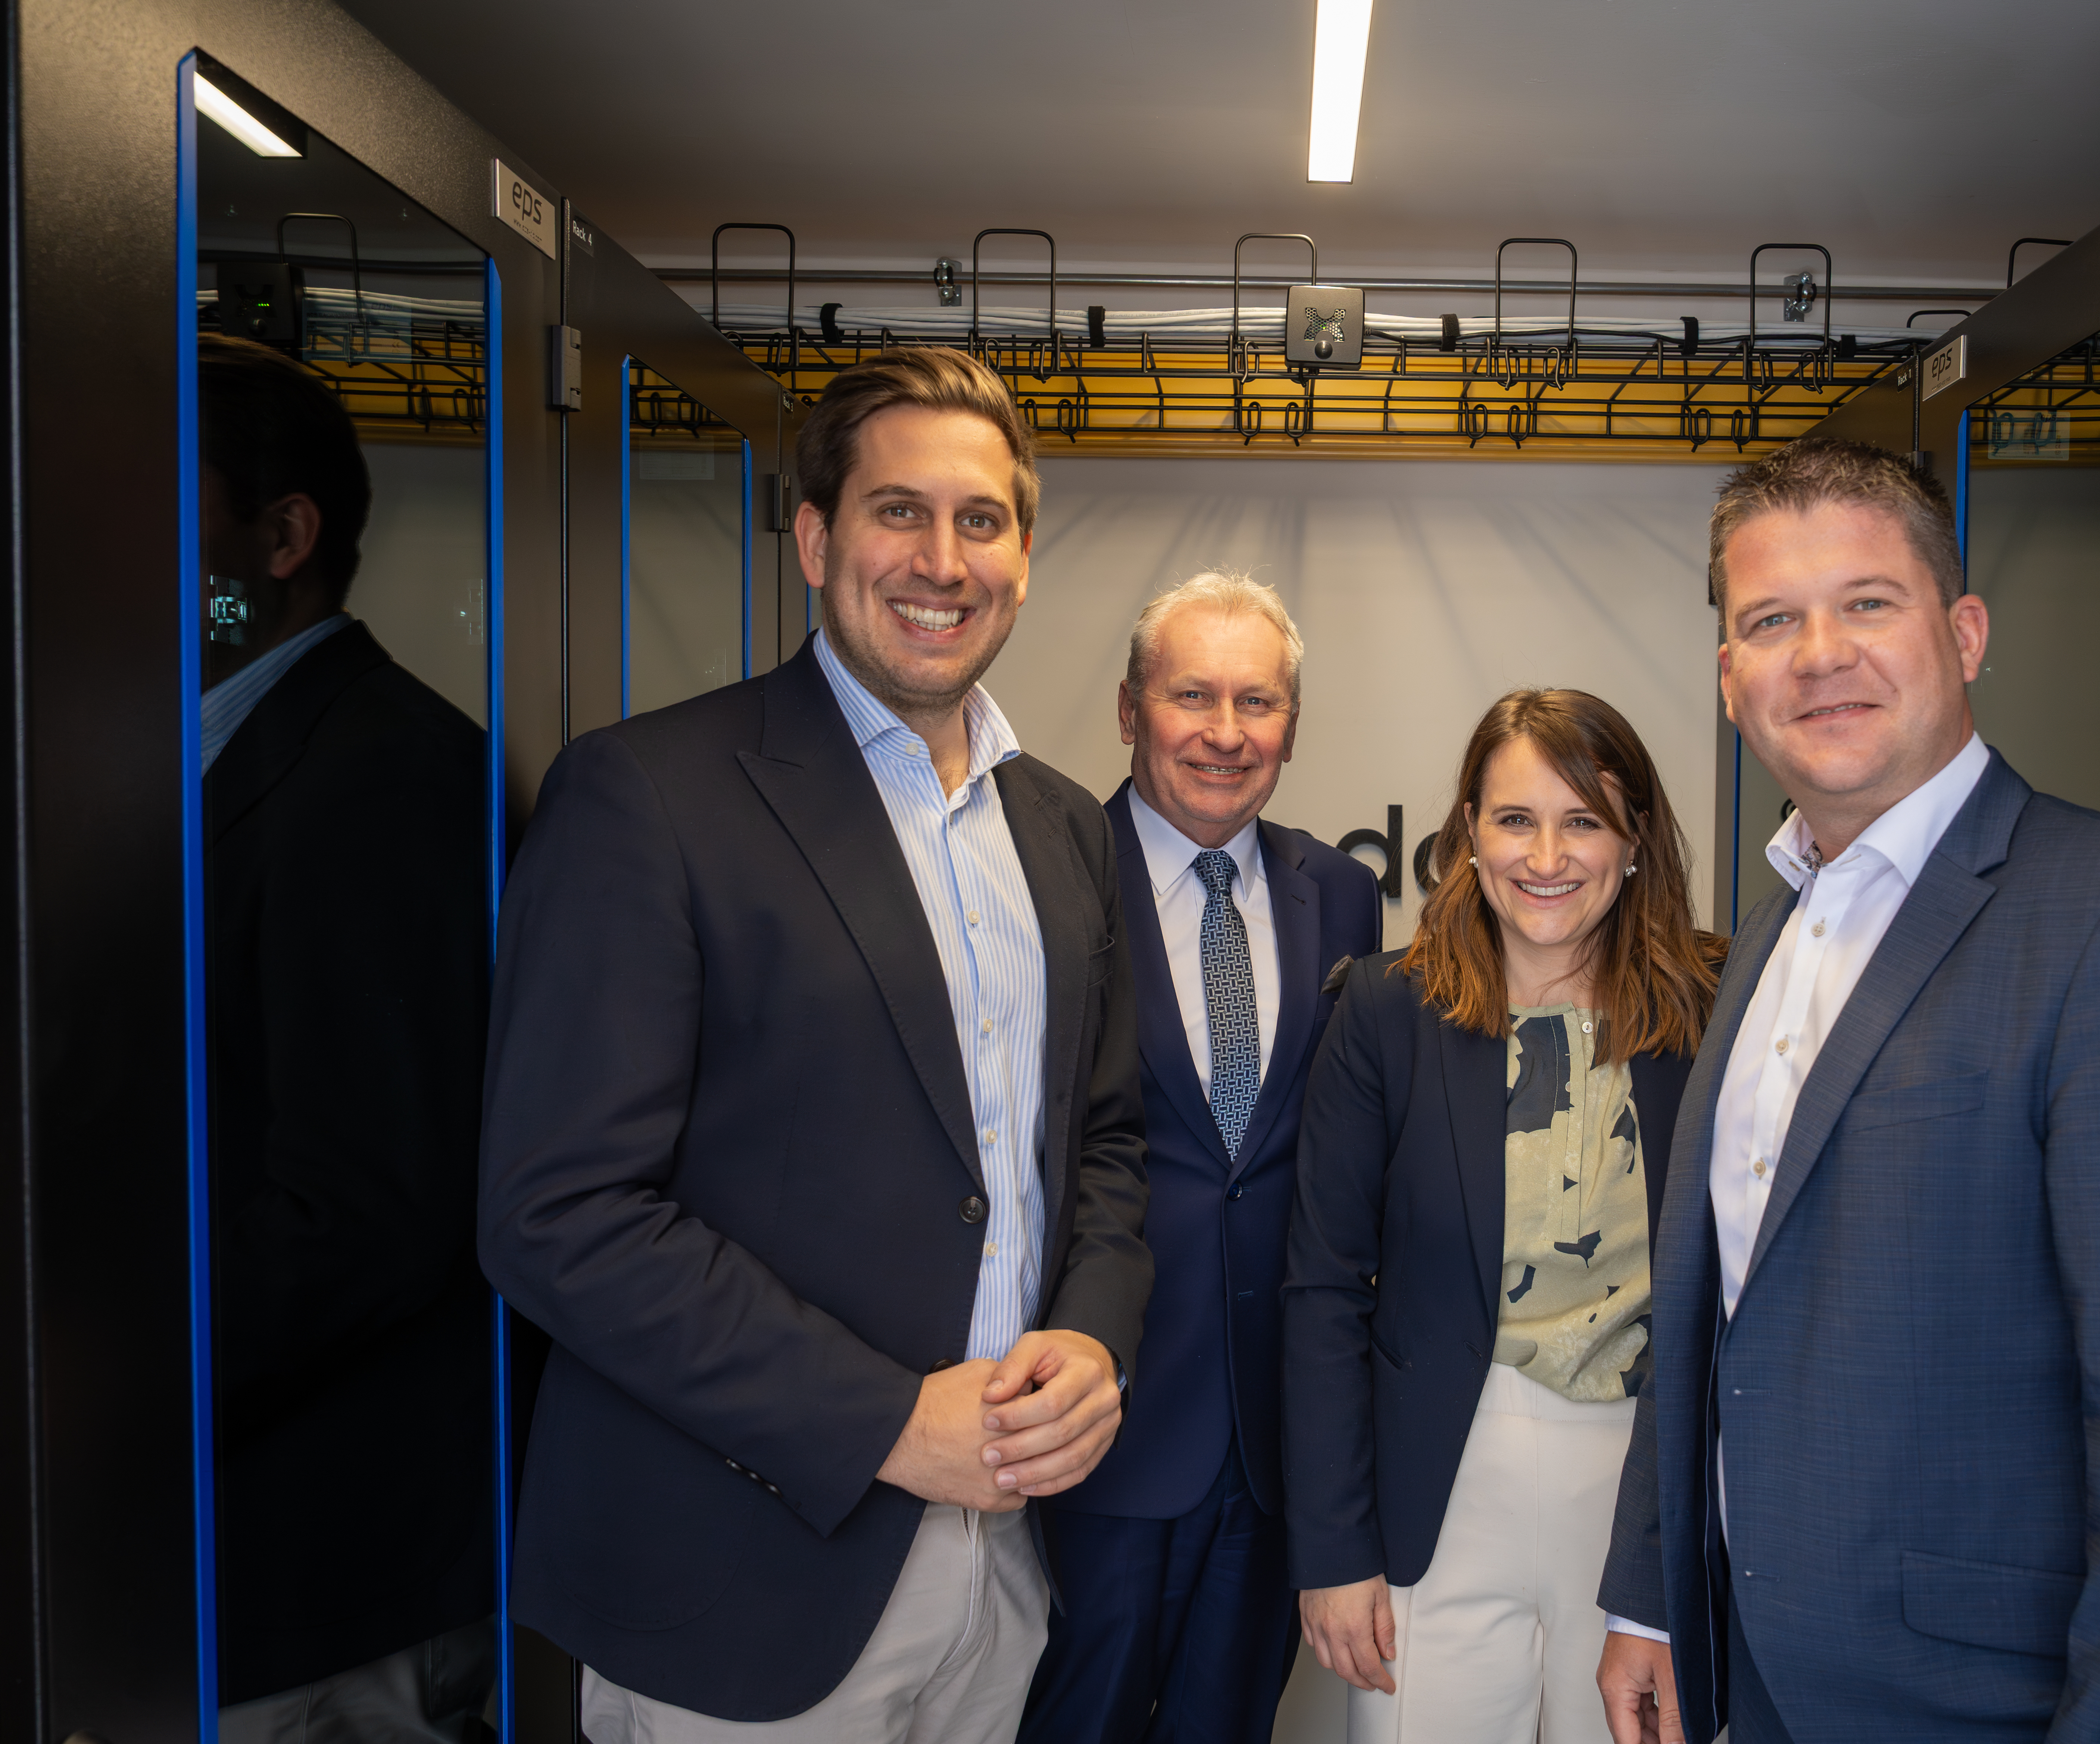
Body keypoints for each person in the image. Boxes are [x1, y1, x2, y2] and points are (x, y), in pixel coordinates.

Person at [1596, 437, 2100, 1744]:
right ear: (1728, 678)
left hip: (1994, 1705)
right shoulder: (1770, 929)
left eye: (1869, 602)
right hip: (1762, 1670)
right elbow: (1728, 1306)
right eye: (1772, 620)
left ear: (1967, 632)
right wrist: (1656, 1596)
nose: (1820, 651)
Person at [479, 347, 1152, 1741]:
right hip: (744, 1584)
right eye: (898, 512)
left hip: (1003, 1571)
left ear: (1026, 555)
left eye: (982, 521)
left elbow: (1100, 1148)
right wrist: (887, 1424)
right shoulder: (648, 796)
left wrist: (1090, 1337)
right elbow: (556, 1217)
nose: (942, 561)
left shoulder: (1066, 827)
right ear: (812, 538)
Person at [1285, 688, 1726, 1744]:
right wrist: (1335, 1553)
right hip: (1437, 1492)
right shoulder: (1388, 1010)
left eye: (1585, 820)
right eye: (1516, 819)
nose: (1548, 855)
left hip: (1640, 1497)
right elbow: (1322, 1292)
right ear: (1468, 837)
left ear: (1634, 844)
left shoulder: (1712, 1009)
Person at [1018, 572, 1382, 1744]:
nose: (1227, 734)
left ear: (1290, 726)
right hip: (1103, 1425)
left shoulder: (1342, 894)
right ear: (1130, 712)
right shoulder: (1047, 877)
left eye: (1258, 703)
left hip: (1277, 1439)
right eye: (1192, 697)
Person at [196, 334, 496, 1740]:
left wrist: (106, 1377)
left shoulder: (381, 775)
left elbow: (366, 1207)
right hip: (254, 1529)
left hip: (338, 1553)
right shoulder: (224, 751)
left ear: (279, 536)